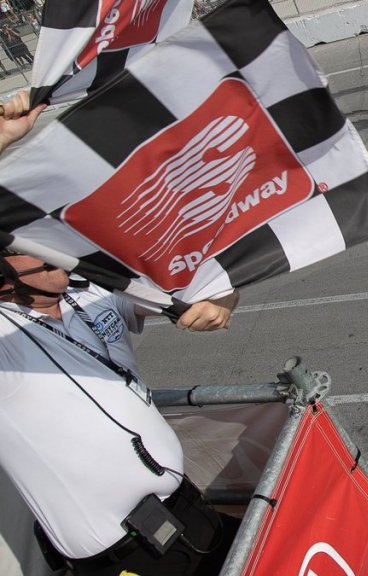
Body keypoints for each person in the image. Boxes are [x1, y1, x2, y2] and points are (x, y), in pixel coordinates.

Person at [0, 94, 241, 575]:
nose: (48, 245)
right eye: (27, 241)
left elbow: (201, 281)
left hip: (185, 507)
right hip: (120, 556)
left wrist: (219, 306)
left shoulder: (90, 290)